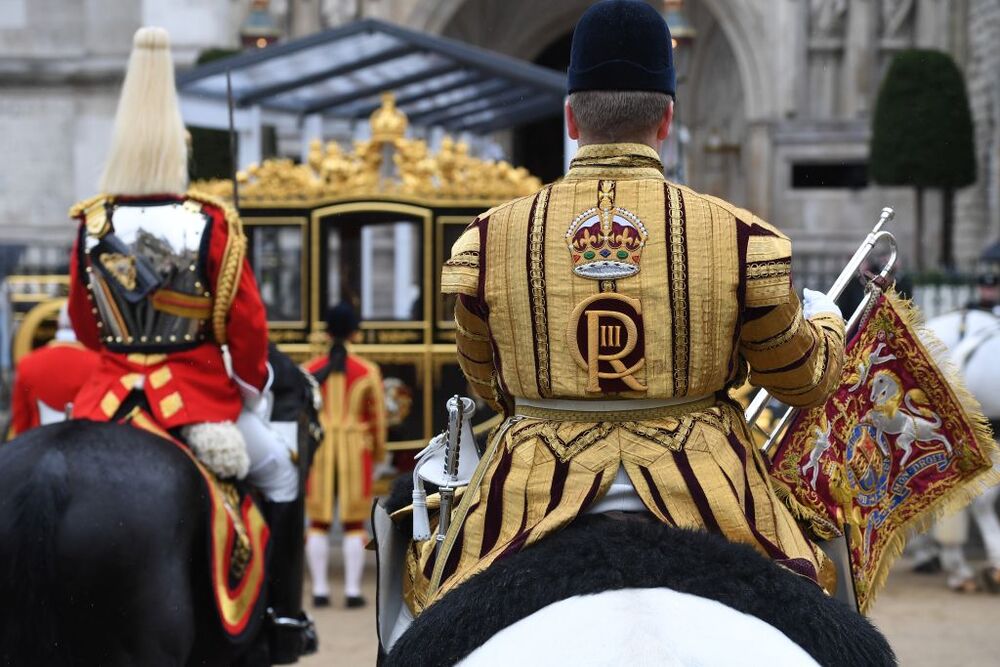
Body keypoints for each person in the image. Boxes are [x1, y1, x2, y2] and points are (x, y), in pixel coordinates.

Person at [407, 0, 846, 613]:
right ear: (666, 120)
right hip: (712, 496)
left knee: (421, 613)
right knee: (832, 604)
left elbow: (488, 385)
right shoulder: (743, 239)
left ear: (569, 119)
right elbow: (801, 380)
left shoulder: (487, 240)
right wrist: (828, 322)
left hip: (526, 495)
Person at [65, 27, 312, 658]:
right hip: (195, 404)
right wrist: (251, 391)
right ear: (180, 148)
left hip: (106, 401)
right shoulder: (211, 223)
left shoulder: (92, 222)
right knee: (280, 477)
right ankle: (284, 616)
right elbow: (247, 330)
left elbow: (87, 323)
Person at [304, 303, 387, 609]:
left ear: (326, 332)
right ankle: (352, 590)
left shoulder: (309, 370)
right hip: (355, 448)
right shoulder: (368, 371)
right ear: (355, 332)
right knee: (354, 523)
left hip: (320, 448)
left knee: (317, 522)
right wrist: (378, 455)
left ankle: (321, 590)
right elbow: (377, 420)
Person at [7, 303, 99, 439]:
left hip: (38, 447)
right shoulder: (99, 364)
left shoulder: (28, 364)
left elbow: (21, 423)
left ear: (58, 323)